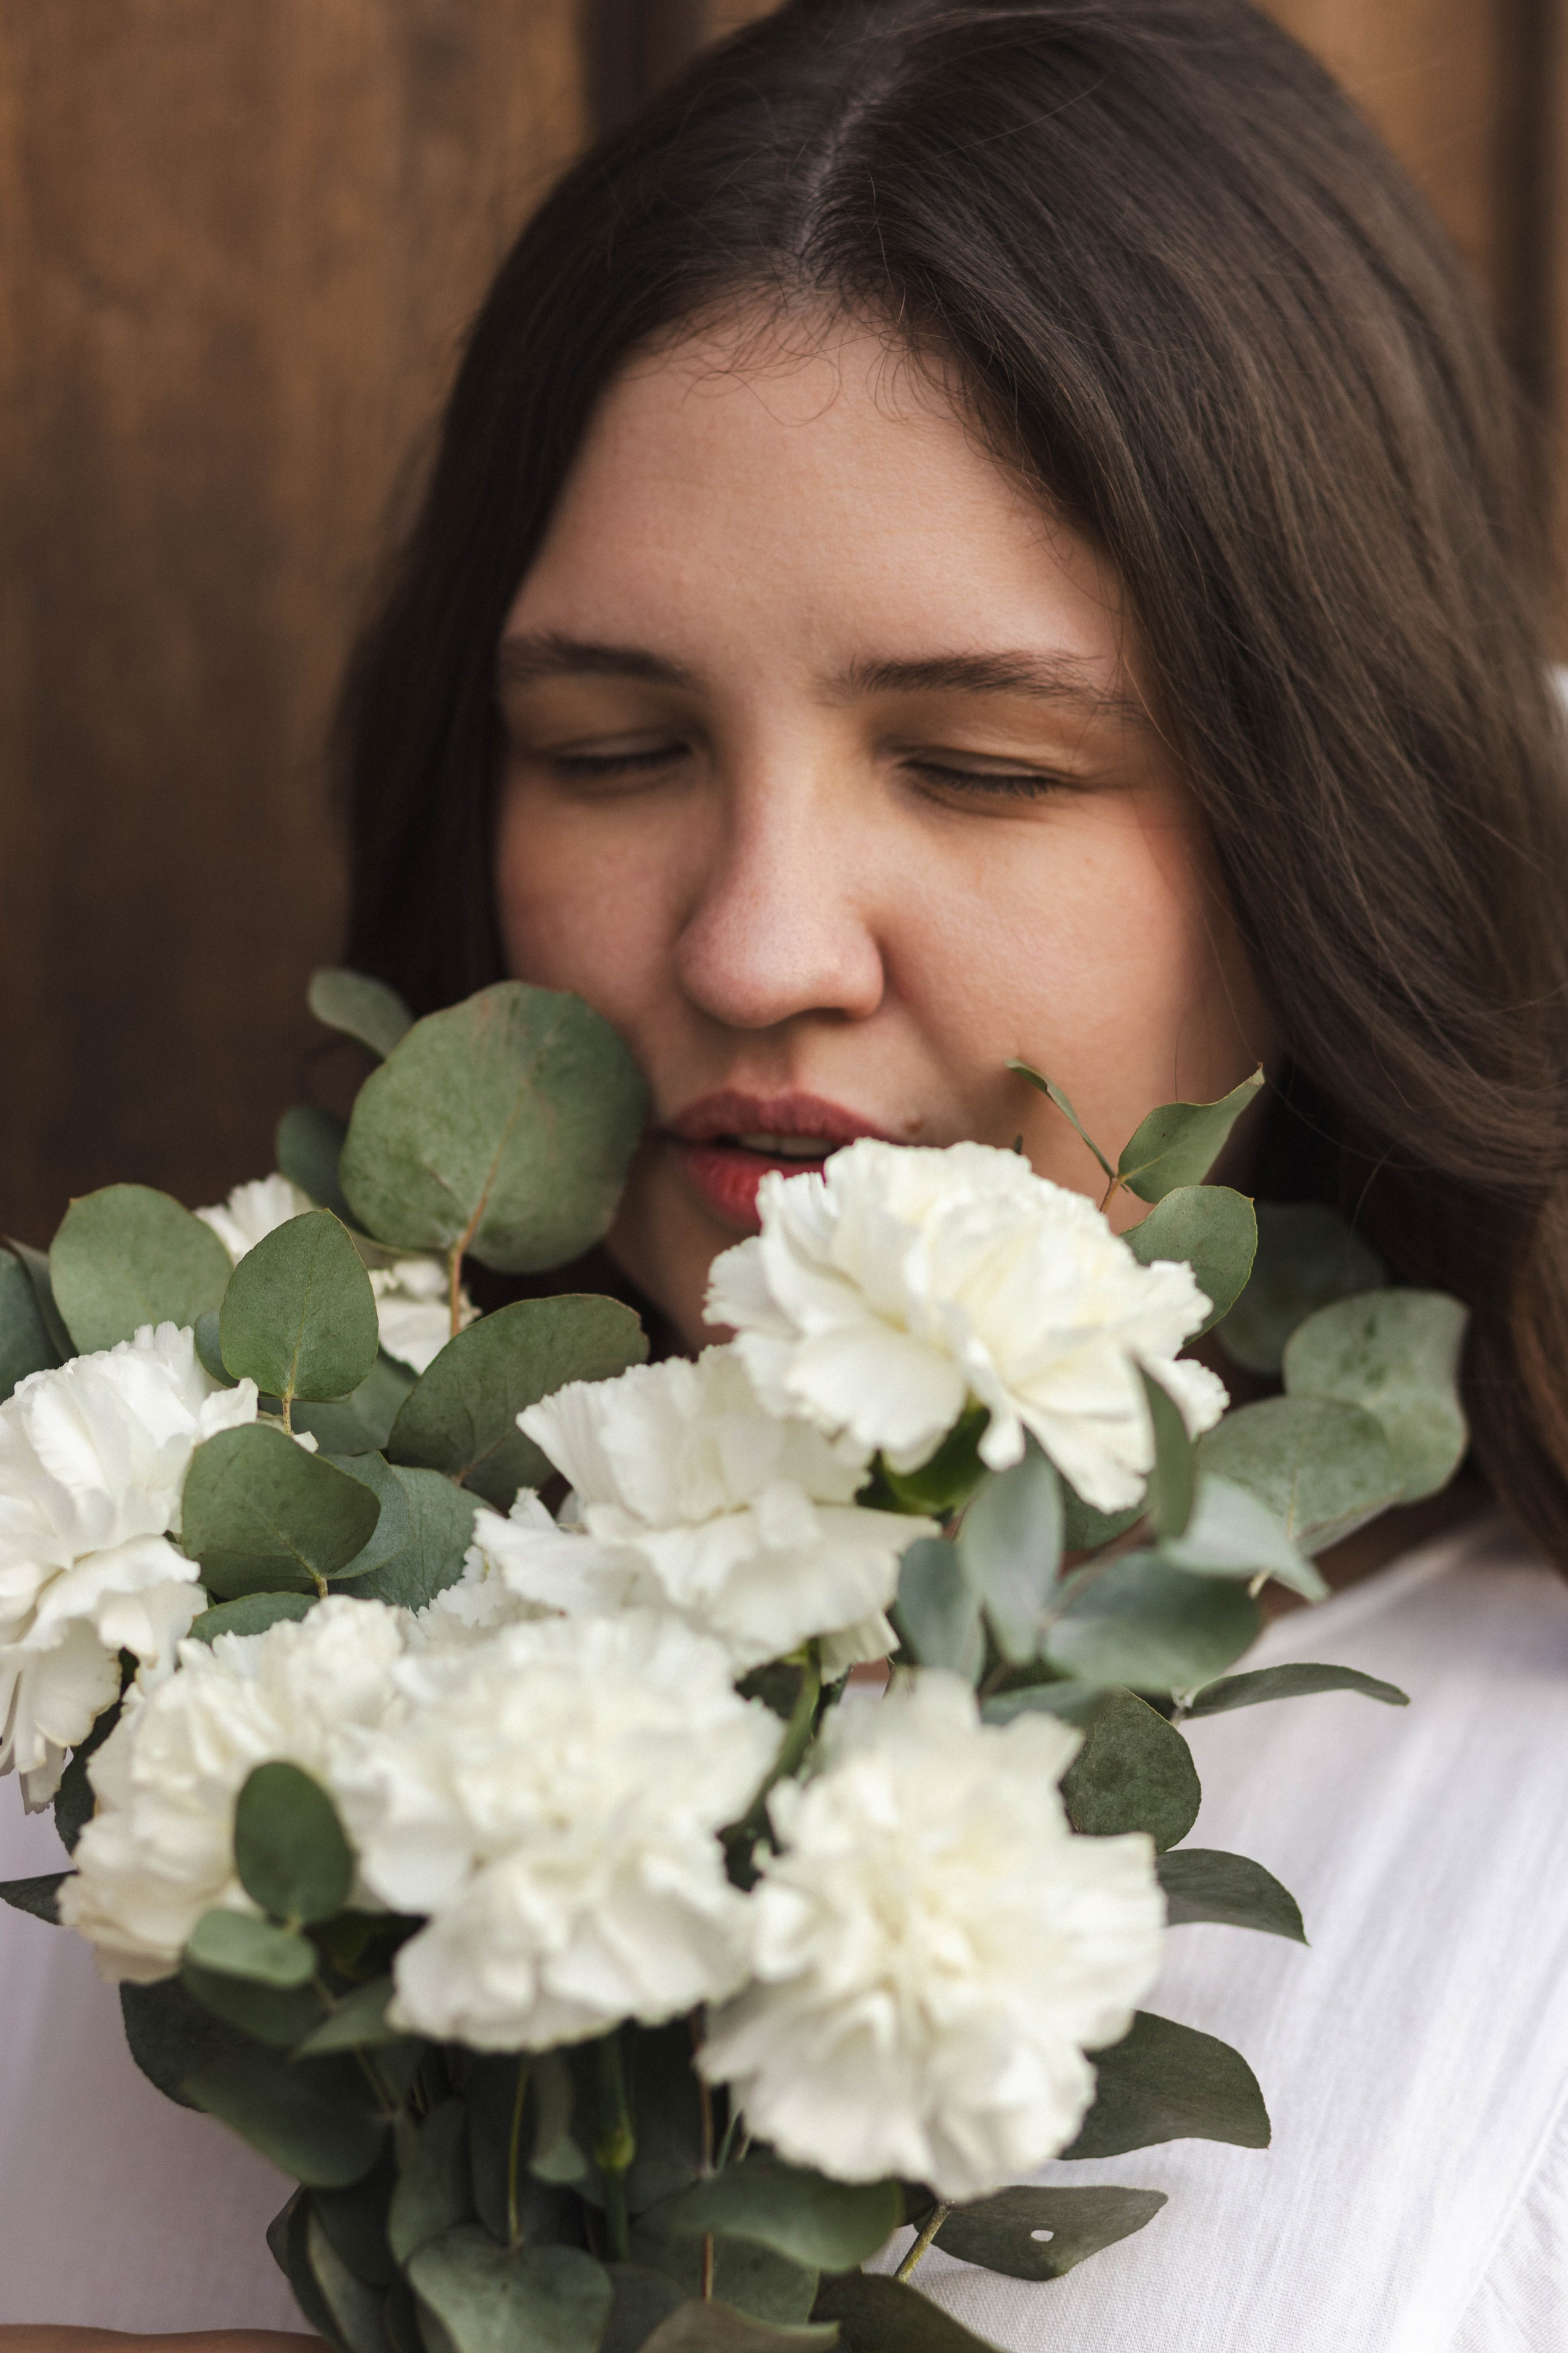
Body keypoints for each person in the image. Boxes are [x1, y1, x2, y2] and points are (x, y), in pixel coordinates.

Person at [4, 0, 1567, 2344]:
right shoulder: (122, 1733)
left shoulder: (1523, 1821)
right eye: (614, 747)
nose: (752, 944)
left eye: (984, 765)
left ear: (1332, 821)